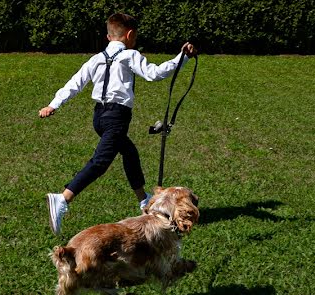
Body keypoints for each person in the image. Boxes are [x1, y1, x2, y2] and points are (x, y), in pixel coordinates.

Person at [39, 12, 197, 234]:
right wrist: (183, 57)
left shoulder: (96, 58)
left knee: (130, 152)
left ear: (108, 36)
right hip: (116, 118)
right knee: (100, 161)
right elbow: (155, 74)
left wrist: (53, 104)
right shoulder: (130, 56)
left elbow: (75, 83)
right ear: (130, 34)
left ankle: (144, 201)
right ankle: (63, 198)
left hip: (99, 118)